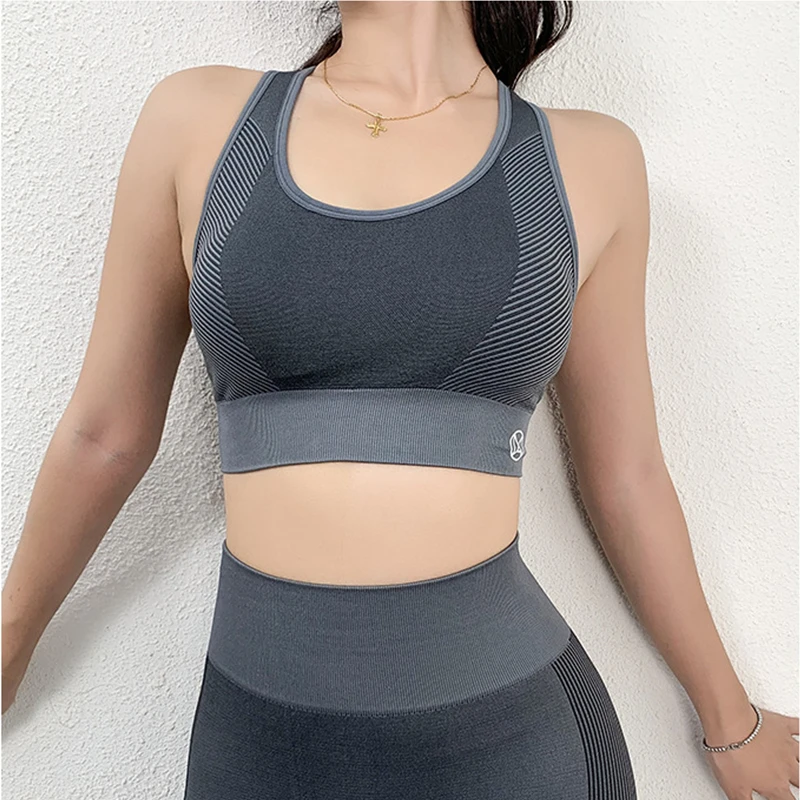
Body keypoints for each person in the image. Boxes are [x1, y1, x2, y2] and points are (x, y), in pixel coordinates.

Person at [2, 2, 797, 798]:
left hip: (517, 748)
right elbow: (105, 434)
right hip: (261, 752)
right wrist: (9, 640)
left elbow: (627, 475)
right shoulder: (200, 121)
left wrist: (731, 721)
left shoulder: (586, 159)